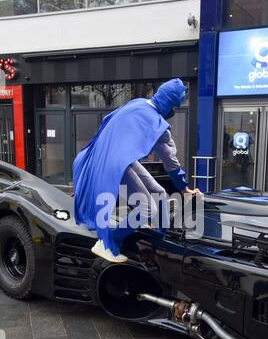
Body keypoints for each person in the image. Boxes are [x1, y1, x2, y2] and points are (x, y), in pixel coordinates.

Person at [73, 78, 202, 263]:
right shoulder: (157, 124)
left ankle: (160, 235)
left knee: (159, 193)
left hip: (111, 156)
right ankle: (108, 242)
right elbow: (170, 161)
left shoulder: (137, 103)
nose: (174, 111)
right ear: (170, 105)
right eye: (175, 106)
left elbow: (107, 121)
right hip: (116, 162)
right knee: (147, 207)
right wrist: (183, 188)